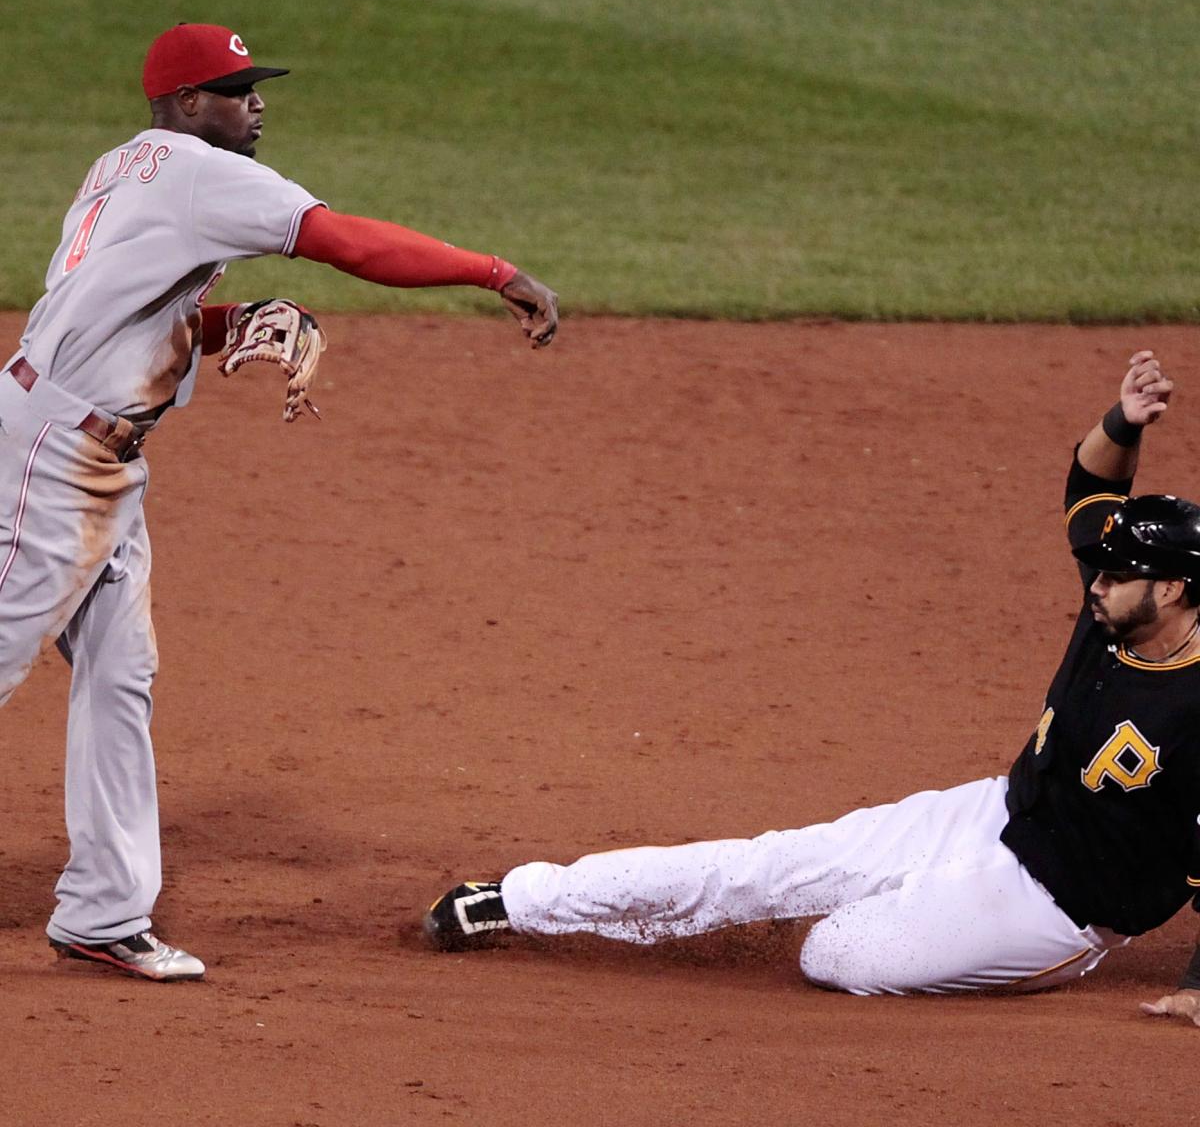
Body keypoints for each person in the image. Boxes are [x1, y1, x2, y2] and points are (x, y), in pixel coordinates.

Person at [4, 22, 558, 982]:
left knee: (119, 674)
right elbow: (345, 243)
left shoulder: (125, 165)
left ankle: (103, 913)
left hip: (84, 449)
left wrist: (226, 324)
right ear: (186, 105)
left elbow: (109, 310)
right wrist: (494, 271)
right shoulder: (205, 175)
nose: (255, 102)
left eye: (255, 85)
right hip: (50, 459)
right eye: (233, 88)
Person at [426, 350, 1200, 1023]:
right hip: (990, 813)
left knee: (834, 953)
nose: (1094, 581)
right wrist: (1125, 420)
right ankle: (521, 901)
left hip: (1056, 916)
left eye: (1118, 573)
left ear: (1170, 591)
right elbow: (1088, 489)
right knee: (771, 864)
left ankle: (941, 922)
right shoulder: (1113, 613)